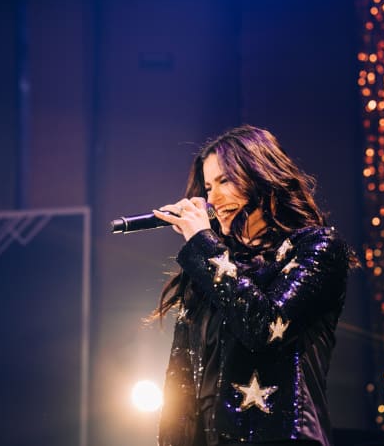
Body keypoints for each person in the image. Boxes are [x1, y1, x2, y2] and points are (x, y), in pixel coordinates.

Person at [151, 125, 357, 446]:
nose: (213, 199)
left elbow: (263, 327)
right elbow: (180, 381)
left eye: (225, 181)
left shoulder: (316, 248)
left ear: (263, 175)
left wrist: (205, 245)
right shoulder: (211, 268)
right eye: (207, 187)